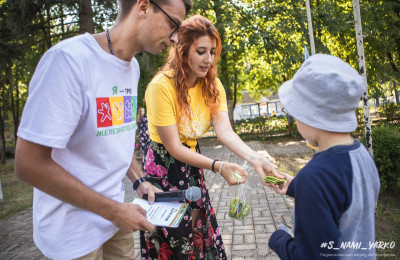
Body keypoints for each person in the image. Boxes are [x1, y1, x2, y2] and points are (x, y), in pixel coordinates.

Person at [13, 0, 192, 259]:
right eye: (173, 24)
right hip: (73, 235)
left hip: (115, 220)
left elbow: (115, 135)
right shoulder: (68, 60)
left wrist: (139, 180)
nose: (176, 39)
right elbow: (27, 163)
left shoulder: (132, 67)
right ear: (143, 7)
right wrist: (113, 210)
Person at [142, 15, 280, 259]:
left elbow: (224, 131)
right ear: (183, 51)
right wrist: (219, 166)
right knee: (174, 243)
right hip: (164, 170)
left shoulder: (212, 84)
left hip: (193, 164)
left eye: (213, 52)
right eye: (201, 51)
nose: (208, 59)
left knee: (196, 235)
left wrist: (257, 159)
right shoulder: (160, 86)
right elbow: (173, 147)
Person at [268, 54, 380, 259]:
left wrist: (278, 239)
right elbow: (344, 197)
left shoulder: (314, 178)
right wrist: (296, 186)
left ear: (308, 114)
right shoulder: (362, 155)